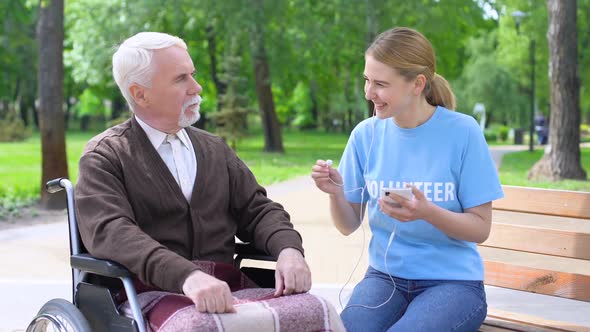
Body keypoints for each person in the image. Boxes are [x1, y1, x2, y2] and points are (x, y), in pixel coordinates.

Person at [75, 32, 311, 315]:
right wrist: (187, 276)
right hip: (146, 292)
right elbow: (113, 233)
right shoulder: (105, 156)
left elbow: (258, 210)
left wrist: (288, 250)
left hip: (229, 286)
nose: (196, 87)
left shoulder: (214, 149)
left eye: (193, 75)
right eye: (180, 79)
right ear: (140, 93)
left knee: (313, 310)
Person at [311, 27, 503, 331]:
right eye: (367, 80)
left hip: (453, 284)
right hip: (384, 279)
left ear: (417, 84)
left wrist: (427, 213)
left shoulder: (463, 133)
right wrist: (335, 192)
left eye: (380, 84)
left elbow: (480, 228)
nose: (368, 92)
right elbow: (348, 225)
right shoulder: (365, 135)